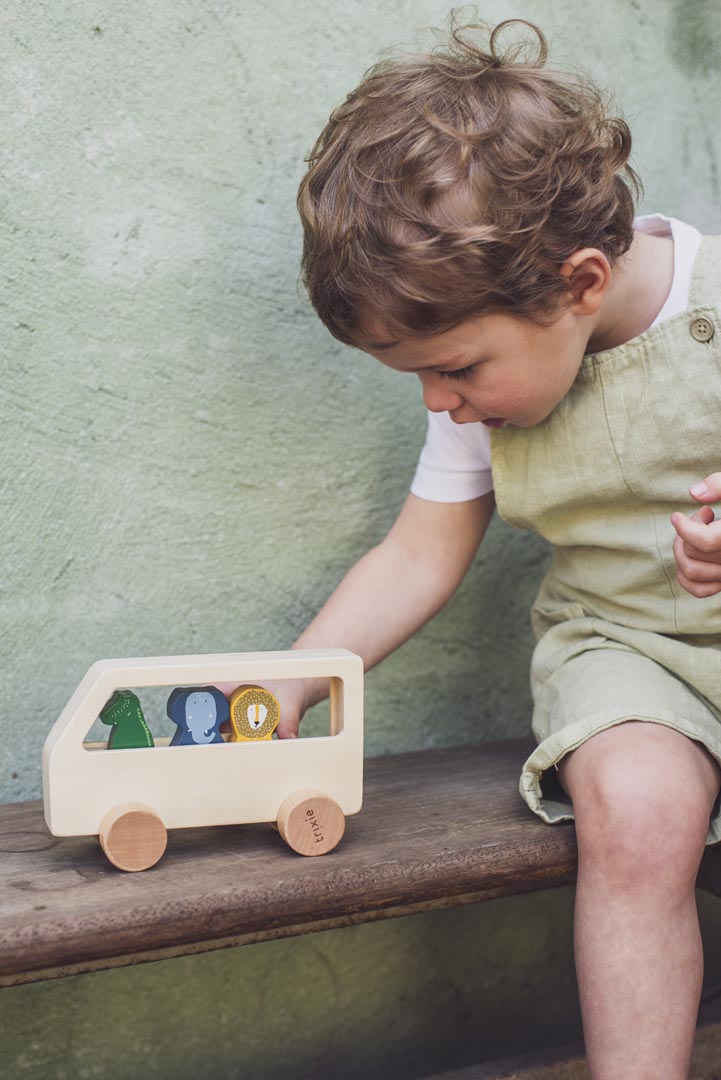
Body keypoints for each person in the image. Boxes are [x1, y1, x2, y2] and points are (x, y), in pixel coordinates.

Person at [221, 17, 721, 1077]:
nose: (439, 400)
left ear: (578, 283)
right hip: (625, 651)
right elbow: (415, 555)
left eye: (453, 368)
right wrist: (292, 687)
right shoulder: (473, 390)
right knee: (635, 815)